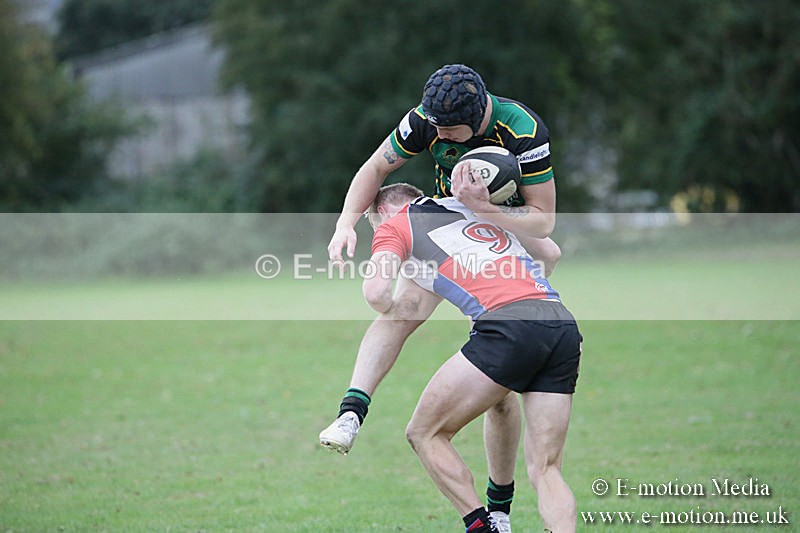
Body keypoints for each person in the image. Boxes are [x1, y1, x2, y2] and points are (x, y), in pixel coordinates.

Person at [321, 64, 560, 530]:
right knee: (402, 310)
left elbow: (544, 222)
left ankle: (499, 511)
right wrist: (345, 222)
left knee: (501, 395)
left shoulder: (524, 130)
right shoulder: (425, 118)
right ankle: (351, 413)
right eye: (434, 126)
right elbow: (375, 167)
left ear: (478, 116)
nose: (438, 135)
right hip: (450, 220)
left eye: (449, 130)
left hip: (503, 226)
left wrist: (489, 211)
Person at [363, 180, 581, 532]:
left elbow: (375, 291)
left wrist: (392, 307)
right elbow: (551, 253)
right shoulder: (469, 210)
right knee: (546, 468)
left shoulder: (400, 222)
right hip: (559, 321)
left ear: (385, 214)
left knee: (424, 433)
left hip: (507, 327)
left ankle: (482, 526)